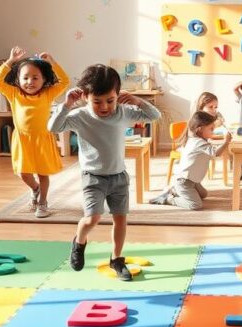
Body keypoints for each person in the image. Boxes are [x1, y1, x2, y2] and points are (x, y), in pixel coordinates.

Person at [49, 64, 161, 279]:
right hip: (93, 177)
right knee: (93, 218)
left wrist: (138, 101)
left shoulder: (123, 112)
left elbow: (153, 116)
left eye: (110, 100)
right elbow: (53, 128)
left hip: (118, 176)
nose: (104, 106)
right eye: (97, 101)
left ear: (118, 95)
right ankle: (79, 242)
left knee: (121, 219)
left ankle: (116, 260)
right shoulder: (80, 115)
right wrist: (66, 106)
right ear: (85, 97)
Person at [0, 46, 70, 218]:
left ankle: (43, 202)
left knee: (43, 173)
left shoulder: (47, 94)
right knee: (23, 173)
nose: (30, 82)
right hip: (22, 140)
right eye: (25, 78)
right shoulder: (13, 94)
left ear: (44, 80)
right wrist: (10, 61)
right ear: (18, 80)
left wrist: (53, 63)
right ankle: (35, 189)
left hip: (42, 139)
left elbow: (65, 82)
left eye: (35, 78)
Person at [149, 111, 232, 210]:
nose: (213, 131)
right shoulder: (199, 143)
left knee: (204, 194)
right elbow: (216, 153)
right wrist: (226, 142)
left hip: (192, 181)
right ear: (200, 129)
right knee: (196, 205)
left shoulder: (198, 140)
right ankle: (169, 199)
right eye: (211, 129)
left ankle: (174, 190)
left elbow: (210, 148)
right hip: (184, 182)